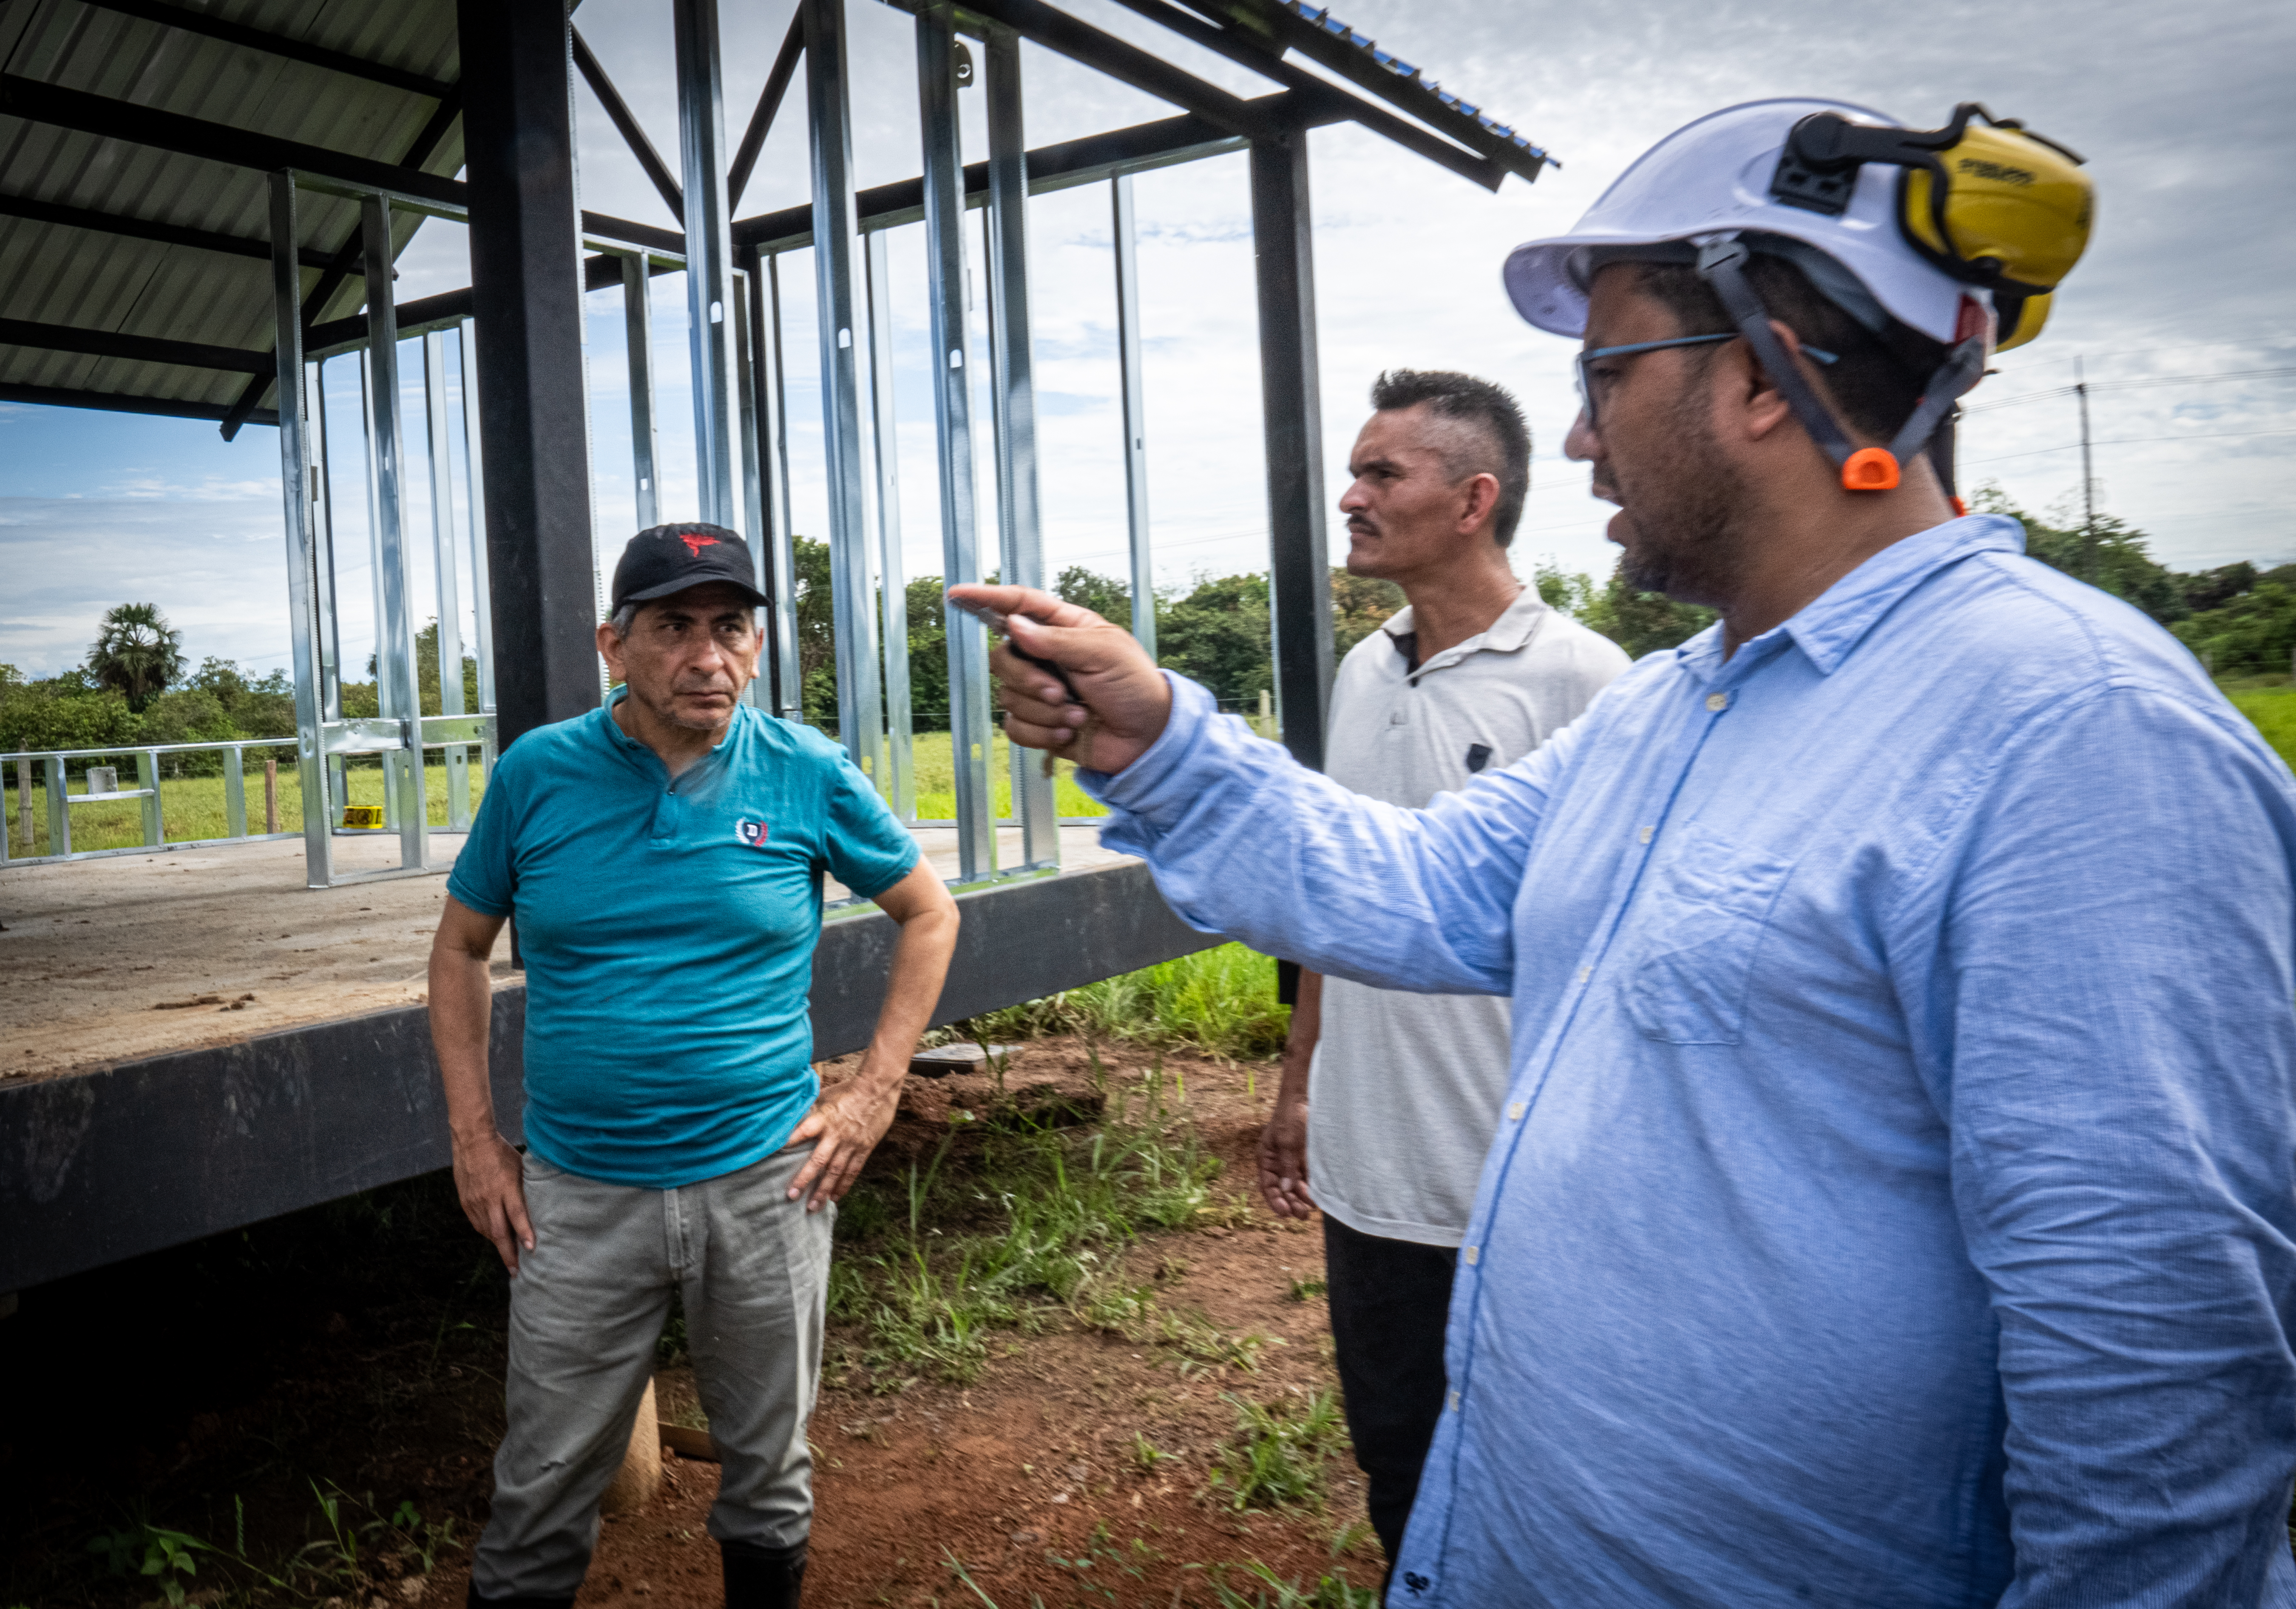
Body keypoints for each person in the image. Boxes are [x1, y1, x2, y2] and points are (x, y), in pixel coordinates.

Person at [956, 99, 2296, 1605]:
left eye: (1604, 372)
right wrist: (1154, 739)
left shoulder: (2075, 736)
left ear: (1764, 375)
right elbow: (1412, 890)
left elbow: (2155, 1376)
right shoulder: (1671, 708)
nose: (1580, 434)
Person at [431, 523, 958, 1609]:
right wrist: (475, 1141)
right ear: (613, 644)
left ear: (757, 647)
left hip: (769, 1183)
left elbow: (928, 910)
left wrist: (874, 1088)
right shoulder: (539, 774)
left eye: (731, 627)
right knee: (538, 1487)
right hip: (577, 1197)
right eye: (674, 627)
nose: (707, 655)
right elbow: (459, 950)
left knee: (768, 1476)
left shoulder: (804, 771)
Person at [1256, 368, 1627, 1570]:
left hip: (1515, 1190)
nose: (1351, 498)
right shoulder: (1366, 671)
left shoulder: (1586, 682)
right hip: (1371, 1173)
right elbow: (1339, 894)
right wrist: (1300, 1077)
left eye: (1380, 475)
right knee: (1399, 1462)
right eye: (1354, 472)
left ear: (1474, 501)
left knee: (1542, 1480)